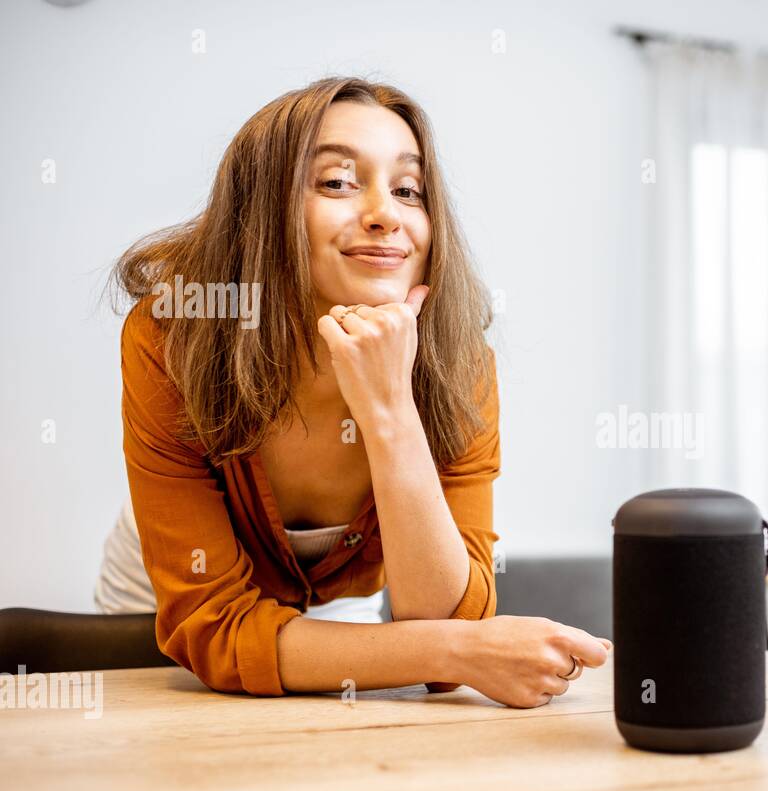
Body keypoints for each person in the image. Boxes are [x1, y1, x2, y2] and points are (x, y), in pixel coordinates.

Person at [98, 76, 609, 707]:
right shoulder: (175, 337)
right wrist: (451, 648)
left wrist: (390, 408)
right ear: (261, 210)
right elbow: (216, 629)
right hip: (167, 598)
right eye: (337, 182)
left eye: (408, 189)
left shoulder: (461, 364)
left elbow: (447, 617)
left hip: (343, 612)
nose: (385, 214)